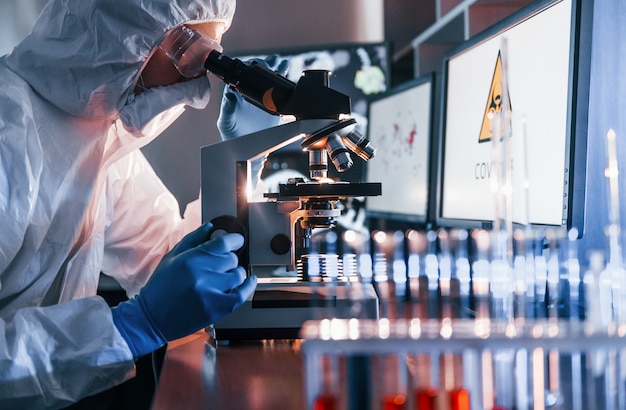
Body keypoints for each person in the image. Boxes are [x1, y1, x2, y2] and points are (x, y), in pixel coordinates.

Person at [0, 0, 287, 408]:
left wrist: (241, 159)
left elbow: (168, 260)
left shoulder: (96, 138)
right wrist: (133, 327)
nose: (198, 86)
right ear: (120, 30)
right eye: (190, 54)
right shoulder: (8, 133)